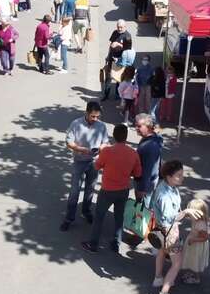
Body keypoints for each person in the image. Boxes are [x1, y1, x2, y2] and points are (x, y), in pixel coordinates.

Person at [81, 124, 142, 253]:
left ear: (113, 136)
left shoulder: (107, 151)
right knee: (119, 217)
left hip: (107, 190)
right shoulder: (133, 153)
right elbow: (137, 173)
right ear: (126, 137)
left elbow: (97, 166)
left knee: (99, 216)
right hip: (123, 190)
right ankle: (116, 242)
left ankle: (93, 244)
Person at [151, 160, 203, 294]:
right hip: (169, 232)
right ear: (168, 176)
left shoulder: (167, 186)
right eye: (178, 175)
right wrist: (186, 212)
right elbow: (170, 218)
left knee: (161, 252)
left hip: (160, 229)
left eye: (182, 174)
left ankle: (158, 277)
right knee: (177, 263)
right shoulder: (165, 194)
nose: (182, 178)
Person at [60, 101, 109, 231]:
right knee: (74, 191)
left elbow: (105, 142)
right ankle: (69, 218)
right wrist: (82, 149)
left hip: (94, 162)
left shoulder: (101, 126)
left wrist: (101, 148)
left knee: (90, 189)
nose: (95, 119)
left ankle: (86, 211)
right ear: (86, 113)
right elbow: (68, 142)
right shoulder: (76, 124)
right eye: (93, 116)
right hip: (79, 161)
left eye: (97, 116)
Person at [134, 113, 163, 208]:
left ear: (149, 127)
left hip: (145, 184)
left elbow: (147, 170)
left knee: (142, 211)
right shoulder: (156, 138)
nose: (136, 128)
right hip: (152, 180)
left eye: (139, 126)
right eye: (136, 125)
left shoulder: (149, 147)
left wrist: (141, 191)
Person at [181, 199, 210, 284]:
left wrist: (193, 239)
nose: (189, 214)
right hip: (193, 243)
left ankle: (196, 278)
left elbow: (205, 238)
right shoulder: (196, 220)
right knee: (191, 258)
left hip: (197, 245)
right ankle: (191, 272)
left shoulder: (201, 225)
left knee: (195, 260)